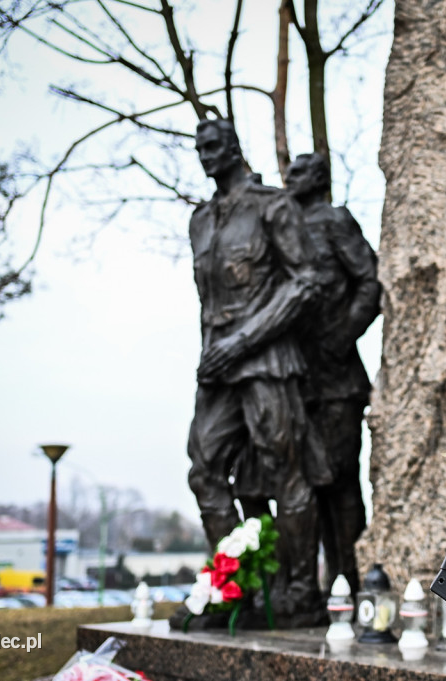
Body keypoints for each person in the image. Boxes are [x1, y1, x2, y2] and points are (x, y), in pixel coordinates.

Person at [187, 119, 327, 623]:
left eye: (215, 146)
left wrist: (244, 341)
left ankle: (298, 593)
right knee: (203, 470)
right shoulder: (200, 219)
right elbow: (208, 302)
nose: (206, 155)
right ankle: (237, 587)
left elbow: (307, 282)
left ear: (234, 149)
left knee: (285, 471)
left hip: (266, 358)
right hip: (217, 368)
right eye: (199, 148)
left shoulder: (273, 205)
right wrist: (214, 354)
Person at [284, 152, 381, 592]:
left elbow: (370, 280)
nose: (290, 177)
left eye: (301, 171)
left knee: (340, 480)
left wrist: (342, 335)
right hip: (292, 378)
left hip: (337, 378)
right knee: (305, 484)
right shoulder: (279, 225)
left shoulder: (335, 220)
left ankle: (353, 582)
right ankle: (323, 586)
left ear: (320, 178)